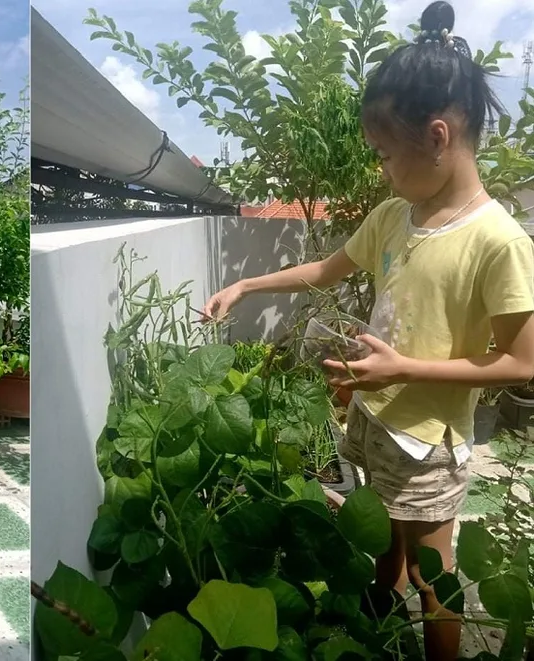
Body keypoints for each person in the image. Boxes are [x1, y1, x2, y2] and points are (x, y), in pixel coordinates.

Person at [202, 2, 534, 659]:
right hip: (375, 417)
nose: (382, 169)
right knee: (383, 544)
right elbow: (326, 270)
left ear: (436, 137)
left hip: (427, 440)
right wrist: (245, 286)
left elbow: (523, 362)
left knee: (432, 577)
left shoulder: (497, 241)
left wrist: (401, 369)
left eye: (385, 154)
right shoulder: (393, 216)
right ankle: (376, 636)